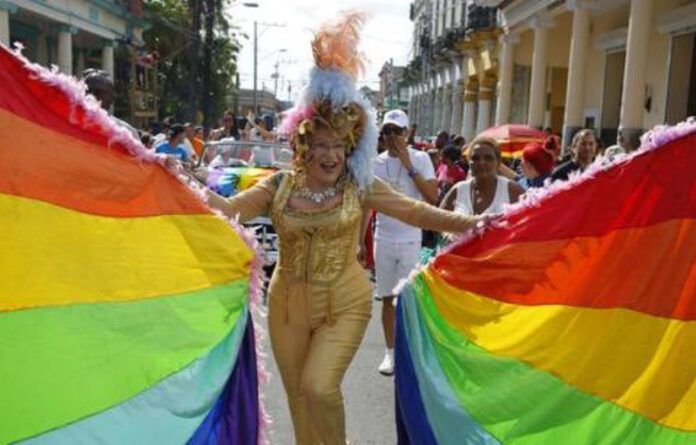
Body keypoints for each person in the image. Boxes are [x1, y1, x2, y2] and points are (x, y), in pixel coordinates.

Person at [182, 13, 482, 445]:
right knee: (300, 401)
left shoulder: (360, 186)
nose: (330, 155)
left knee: (319, 388)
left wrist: (474, 224)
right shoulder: (281, 184)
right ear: (303, 147)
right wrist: (181, 181)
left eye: (338, 147)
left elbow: (417, 212)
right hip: (286, 305)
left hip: (345, 300)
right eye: (320, 145)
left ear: (350, 148)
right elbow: (229, 209)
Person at [373, 108, 438, 376]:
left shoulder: (421, 159)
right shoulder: (375, 162)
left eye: (396, 131)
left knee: (408, 299)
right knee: (388, 299)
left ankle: (409, 353)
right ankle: (390, 353)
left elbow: (432, 196)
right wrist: (359, 241)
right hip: (384, 236)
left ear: (406, 133)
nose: (391, 136)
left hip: (411, 237)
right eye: (386, 131)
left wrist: (409, 166)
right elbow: (369, 202)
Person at [441, 137, 524, 215]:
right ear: (469, 162)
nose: (481, 163)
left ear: (498, 162)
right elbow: (437, 224)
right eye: (475, 158)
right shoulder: (459, 190)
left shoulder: (512, 190)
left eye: (488, 158)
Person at [83, 69, 138, 138]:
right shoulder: (72, 129)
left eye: (98, 92)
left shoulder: (128, 134)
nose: (92, 96)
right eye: (88, 91)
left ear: (112, 98)